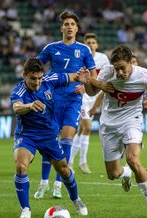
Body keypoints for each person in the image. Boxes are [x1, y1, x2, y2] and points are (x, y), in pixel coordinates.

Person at [34, 11, 114, 199]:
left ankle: (58, 184)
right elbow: (34, 68)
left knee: (67, 140)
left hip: (72, 100)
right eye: (66, 24)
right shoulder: (51, 48)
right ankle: (43, 183)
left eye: (72, 24)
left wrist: (85, 85)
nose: (69, 26)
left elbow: (93, 78)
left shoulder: (84, 50)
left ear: (77, 28)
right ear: (61, 28)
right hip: (52, 100)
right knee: (50, 141)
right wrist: (44, 84)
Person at [85, 45, 147, 218]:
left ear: (131, 62)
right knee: (112, 174)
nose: (119, 73)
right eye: (116, 69)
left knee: (133, 159)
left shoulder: (143, 75)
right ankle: (125, 173)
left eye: (122, 68)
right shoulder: (108, 72)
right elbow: (91, 91)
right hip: (108, 126)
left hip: (132, 122)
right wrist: (88, 81)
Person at [11, 58, 88, 218]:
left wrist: (83, 78)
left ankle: (76, 199)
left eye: (39, 78)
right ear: (24, 75)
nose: (37, 82)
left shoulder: (49, 80)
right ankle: (25, 209)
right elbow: (16, 107)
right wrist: (30, 106)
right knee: (21, 166)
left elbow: (73, 77)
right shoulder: (18, 91)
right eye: (33, 78)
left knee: (64, 170)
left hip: (49, 135)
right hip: (27, 135)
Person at [68, 33, 110, 174]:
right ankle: (83, 161)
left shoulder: (103, 58)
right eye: (88, 42)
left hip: (95, 95)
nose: (91, 44)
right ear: (85, 45)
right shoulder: (80, 56)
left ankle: (70, 160)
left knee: (82, 130)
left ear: (97, 45)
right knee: (87, 127)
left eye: (93, 42)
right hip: (82, 97)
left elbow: (107, 76)